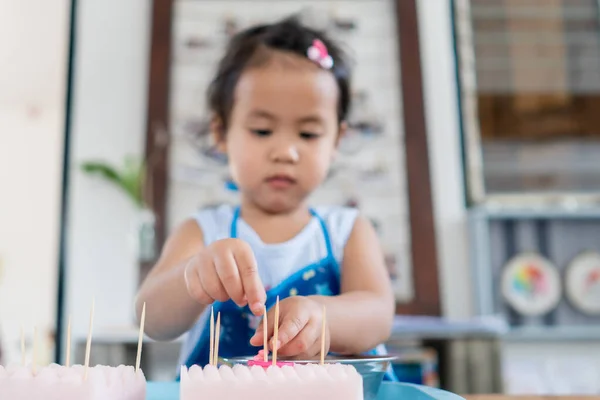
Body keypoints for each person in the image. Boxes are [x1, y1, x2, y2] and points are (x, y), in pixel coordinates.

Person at [135, 15, 396, 380]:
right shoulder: (202, 231)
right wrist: (192, 277)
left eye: (307, 134)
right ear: (222, 133)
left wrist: (322, 316)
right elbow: (151, 318)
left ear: (336, 140)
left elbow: (378, 315)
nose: (285, 152)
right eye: (262, 130)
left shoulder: (347, 230)